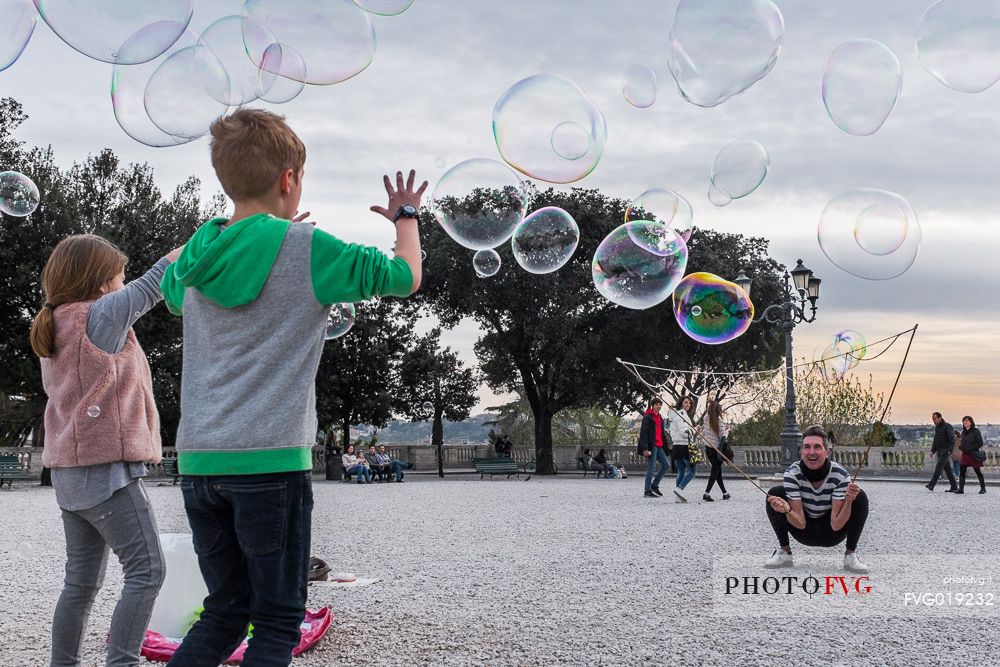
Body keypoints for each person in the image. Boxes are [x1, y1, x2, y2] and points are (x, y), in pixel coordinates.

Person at [160, 108, 424, 666]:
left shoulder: (198, 253)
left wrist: (265, 238)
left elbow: (173, 292)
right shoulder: (309, 248)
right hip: (269, 464)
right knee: (278, 622)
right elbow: (405, 277)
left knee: (224, 612)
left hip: (200, 463)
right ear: (289, 180)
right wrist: (405, 217)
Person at [30, 234, 183, 667]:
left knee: (79, 584)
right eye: (119, 276)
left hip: (68, 475)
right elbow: (157, 278)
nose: (124, 283)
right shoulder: (99, 315)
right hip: (106, 474)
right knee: (147, 572)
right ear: (100, 283)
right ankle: (122, 662)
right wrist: (224, 229)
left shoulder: (55, 322)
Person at [764, 426, 870, 573]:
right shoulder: (792, 474)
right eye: (807, 447)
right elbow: (800, 524)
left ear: (827, 452)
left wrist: (849, 501)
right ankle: (785, 552)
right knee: (775, 495)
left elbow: (836, 525)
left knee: (859, 496)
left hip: (832, 532)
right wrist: (786, 510)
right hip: (803, 529)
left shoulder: (840, 475)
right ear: (801, 451)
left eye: (817, 447)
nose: (811, 452)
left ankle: (850, 555)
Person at [638, 397, 670, 498]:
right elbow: (643, 432)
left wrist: (666, 445)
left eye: (660, 404)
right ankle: (647, 490)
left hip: (659, 445)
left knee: (666, 465)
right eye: (657, 404)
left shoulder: (660, 417)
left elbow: (662, 433)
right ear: (653, 406)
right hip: (651, 446)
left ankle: (654, 485)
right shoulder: (647, 416)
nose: (659, 406)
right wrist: (645, 448)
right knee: (651, 468)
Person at [700, 399, 731, 502]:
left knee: (718, 471)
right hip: (717, 448)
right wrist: (727, 431)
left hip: (708, 448)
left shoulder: (705, 419)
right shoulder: (719, 421)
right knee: (715, 471)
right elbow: (722, 437)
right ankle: (706, 493)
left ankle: (725, 493)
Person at [668, 395, 697, 503]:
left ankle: (677, 497)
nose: (688, 404)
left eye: (689, 403)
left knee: (681, 471)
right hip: (684, 446)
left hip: (676, 446)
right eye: (686, 402)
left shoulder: (675, 415)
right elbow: (685, 433)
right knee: (692, 471)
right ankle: (679, 489)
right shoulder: (681, 415)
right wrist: (695, 429)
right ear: (681, 403)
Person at [925, 412, 959, 492]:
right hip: (940, 451)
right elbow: (936, 440)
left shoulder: (948, 426)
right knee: (948, 470)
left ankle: (931, 485)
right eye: (933, 419)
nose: (933, 421)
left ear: (940, 418)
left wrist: (949, 451)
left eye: (935, 419)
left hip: (946, 451)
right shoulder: (937, 427)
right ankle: (954, 487)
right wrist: (932, 451)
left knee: (939, 467)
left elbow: (952, 440)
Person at [958, 416, 987, 495]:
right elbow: (962, 443)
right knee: (962, 471)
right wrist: (961, 447)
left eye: (967, 420)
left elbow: (980, 443)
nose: (965, 422)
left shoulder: (976, 431)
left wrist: (971, 448)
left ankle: (983, 488)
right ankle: (961, 489)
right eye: (964, 421)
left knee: (977, 471)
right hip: (965, 454)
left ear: (971, 422)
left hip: (973, 454)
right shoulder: (963, 432)